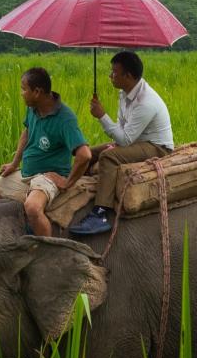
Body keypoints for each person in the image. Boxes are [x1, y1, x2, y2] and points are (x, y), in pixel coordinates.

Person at [0, 67, 91, 237]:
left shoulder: (65, 119)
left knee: (33, 208)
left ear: (37, 92)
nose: (21, 93)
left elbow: (85, 155)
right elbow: (27, 132)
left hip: (47, 177)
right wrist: (14, 163)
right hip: (26, 173)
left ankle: (48, 253)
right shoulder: (33, 108)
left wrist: (67, 183)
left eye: (24, 89)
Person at [68, 51, 174, 235]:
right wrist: (115, 141)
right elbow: (122, 129)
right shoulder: (124, 94)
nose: (110, 76)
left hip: (156, 146)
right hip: (136, 141)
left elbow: (125, 139)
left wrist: (101, 116)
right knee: (87, 152)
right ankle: (76, 185)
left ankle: (100, 213)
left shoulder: (146, 101)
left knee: (108, 157)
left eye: (115, 73)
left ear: (129, 76)